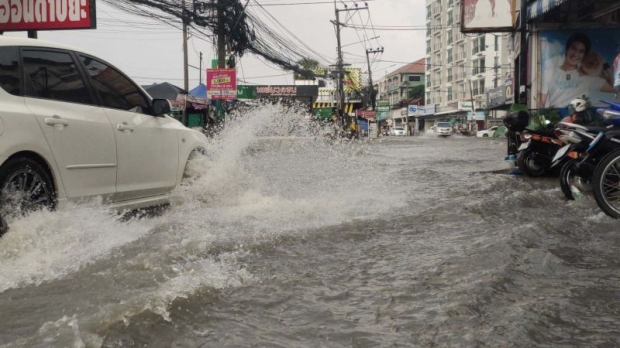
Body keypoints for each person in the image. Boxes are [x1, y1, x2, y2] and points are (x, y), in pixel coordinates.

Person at [539, 32, 615, 109]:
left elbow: (612, 87)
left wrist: (604, 62)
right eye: (573, 48)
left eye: (581, 51)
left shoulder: (588, 76)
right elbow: (542, 102)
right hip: (555, 117)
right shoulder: (549, 72)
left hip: (579, 118)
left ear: (584, 56)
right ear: (567, 49)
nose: (576, 54)